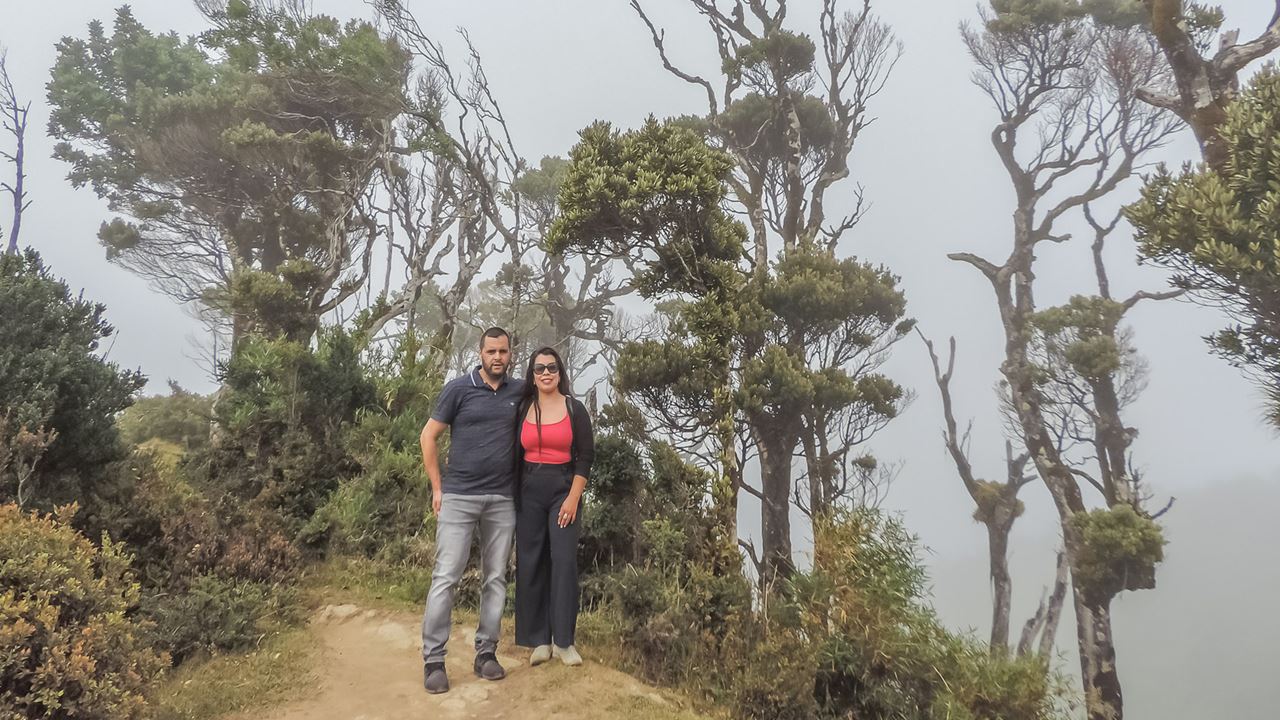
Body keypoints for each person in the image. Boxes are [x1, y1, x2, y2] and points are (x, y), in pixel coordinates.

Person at [419, 327, 523, 694]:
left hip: (502, 500)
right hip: (458, 497)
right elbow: (428, 436)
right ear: (480, 353)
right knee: (446, 577)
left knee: (495, 578)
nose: (498, 357)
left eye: (504, 351)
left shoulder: (519, 392)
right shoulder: (458, 389)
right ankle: (434, 660)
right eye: (491, 351)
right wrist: (437, 487)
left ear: (511, 354)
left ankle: (486, 654)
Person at [513, 346, 595, 667]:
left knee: (562, 561)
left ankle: (564, 642)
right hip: (529, 490)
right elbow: (513, 454)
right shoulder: (523, 408)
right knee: (532, 561)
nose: (545, 373)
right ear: (532, 376)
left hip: (563, 489)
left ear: (560, 373)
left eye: (551, 368)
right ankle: (539, 640)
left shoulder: (575, 409)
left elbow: (585, 457)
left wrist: (573, 498)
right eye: (539, 369)